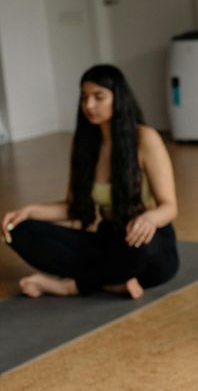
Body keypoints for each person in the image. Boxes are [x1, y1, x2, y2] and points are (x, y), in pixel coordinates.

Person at [1, 64, 179, 299]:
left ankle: (70, 287)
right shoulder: (83, 143)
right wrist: (28, 212)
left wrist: (149, 219)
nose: (89, 105)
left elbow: (169, 207)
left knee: (141, 246)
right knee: (16, 230)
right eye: (84, 98)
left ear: (118, 98)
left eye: (98, 97)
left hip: (148, 241)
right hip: (108, 239)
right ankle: (113, 281)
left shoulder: (145, 138)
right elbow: (74, 207)